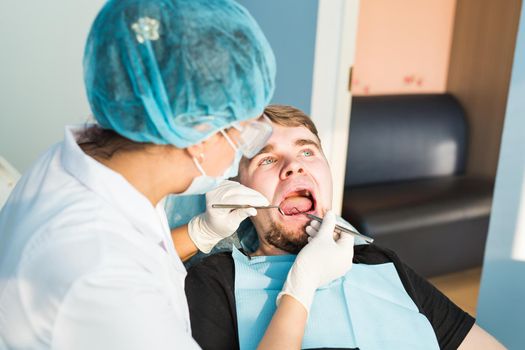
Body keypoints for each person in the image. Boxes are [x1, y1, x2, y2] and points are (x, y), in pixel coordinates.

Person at [0, 1, 355, 349]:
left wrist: (199, 232)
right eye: (247, 133)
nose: (244, 145)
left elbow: (139, 243)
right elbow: (116, 261)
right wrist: (301, 288)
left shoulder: (100, 158)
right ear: (199, 134)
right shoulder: (98, 273)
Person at [185, 105, 505, 350]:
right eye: (266, 160)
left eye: (307, 151)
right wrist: (302, 285)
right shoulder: (215, 282)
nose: (293, 165)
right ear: (238, 192)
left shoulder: (380, 260)